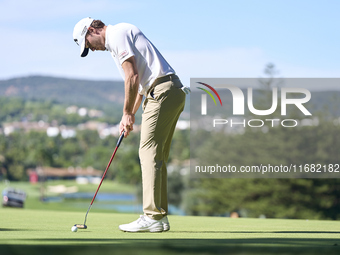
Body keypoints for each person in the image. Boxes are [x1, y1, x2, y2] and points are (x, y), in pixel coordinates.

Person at [73, 17, 189, 232]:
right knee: (157, 155)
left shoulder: (116, 34)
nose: (92, 49)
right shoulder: (120, 36)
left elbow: (132, 76)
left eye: (88, 43)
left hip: (162, 92)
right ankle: (159, 218)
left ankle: (152, 216)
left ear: (92, 30)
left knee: (148, 153)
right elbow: (140, 85)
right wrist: (130, 115)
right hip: (169, 91)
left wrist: (126, 112)